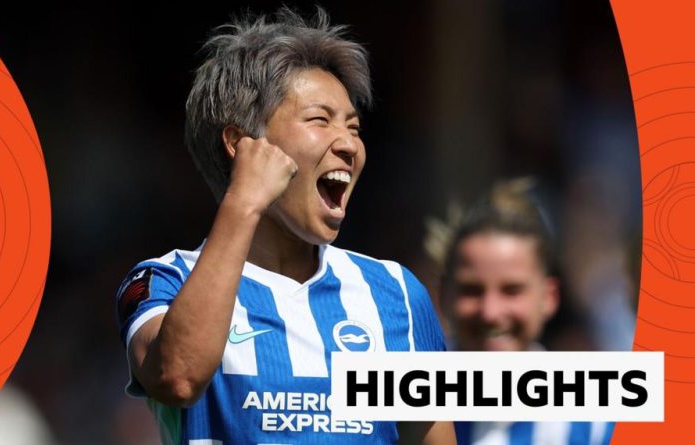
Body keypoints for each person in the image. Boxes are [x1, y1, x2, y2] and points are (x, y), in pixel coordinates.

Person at [115, 7, 455, 444]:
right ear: (242, 144)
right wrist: (245, 199)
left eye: (354, 126)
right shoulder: (164, 280)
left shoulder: (397, 294)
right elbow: (179, 377)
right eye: (320, 119)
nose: (349, 143)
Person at [427, 178, 613, 445]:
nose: (490, 312)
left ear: (549, 297)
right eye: (472, 290)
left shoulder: (596, 419)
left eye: (512, 290)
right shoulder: (398, 411)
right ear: (445, 294)